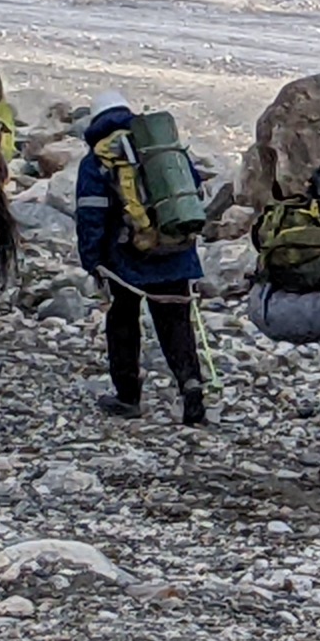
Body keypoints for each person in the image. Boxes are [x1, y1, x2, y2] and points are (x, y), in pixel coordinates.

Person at [73, 95, 209, 424]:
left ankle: (128, 397)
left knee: (123, 322)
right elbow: (192, 197)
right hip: (175, 251)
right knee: (177, 324)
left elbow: (91, 214)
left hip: (126, 259)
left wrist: (92, 260)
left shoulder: (97, 160)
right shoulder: (163, 149)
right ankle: (192, 393)